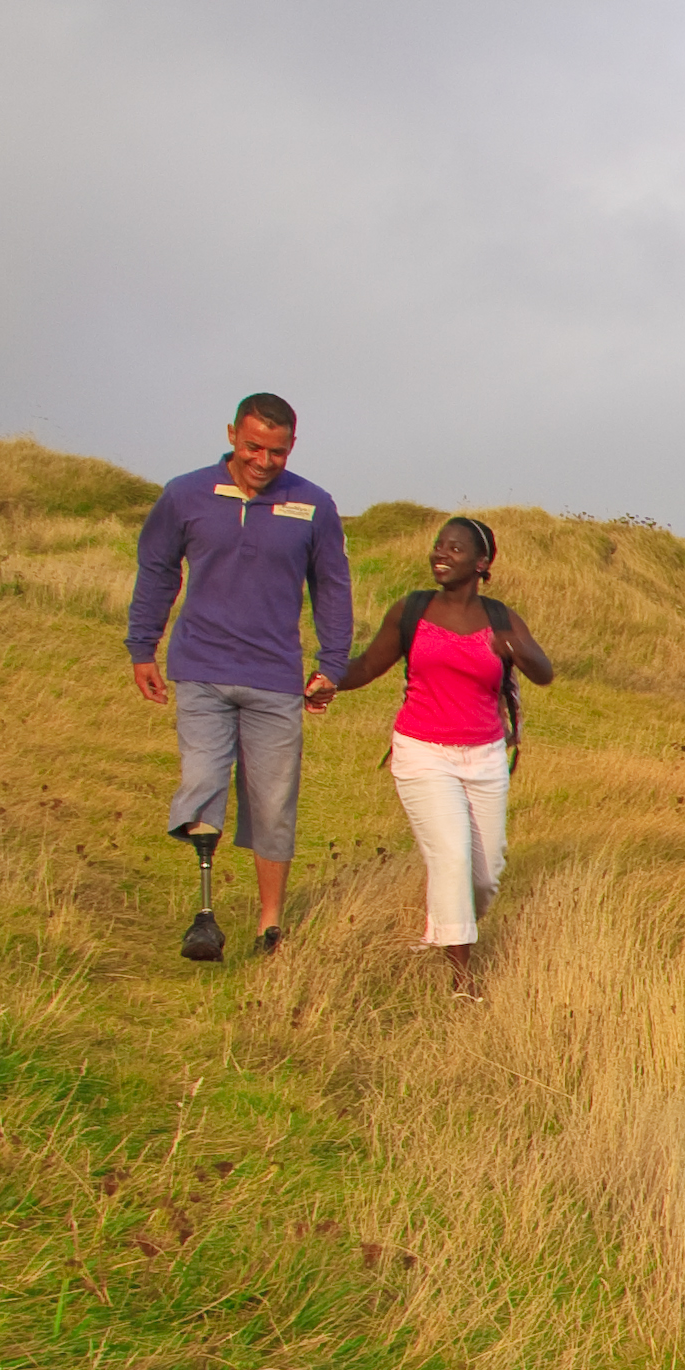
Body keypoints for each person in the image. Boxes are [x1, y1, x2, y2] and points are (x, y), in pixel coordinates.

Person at [128, 393, 352, 955]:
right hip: (201, 667)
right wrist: (142, 647)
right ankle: (205, 917)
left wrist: (332, 665)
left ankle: (269, 926)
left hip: (275, 679)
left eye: (276, 451)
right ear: (231, 434)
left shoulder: (314, 505)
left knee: (273, 802)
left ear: (292, 446)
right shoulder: (186, 494)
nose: (263, 460)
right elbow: (157, 569)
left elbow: (333, 587)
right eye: (253, 446)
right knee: (203, 782)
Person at [326, 514, 554, 999]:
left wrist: (511, 646)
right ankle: (462, 980)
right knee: (451, 855)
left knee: (485, 873)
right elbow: (368, 664)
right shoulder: (410, 610)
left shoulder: (500, 618)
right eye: (438, 546)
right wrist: (329, 679)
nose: (441, 555)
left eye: (454, 549)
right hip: (422, 751)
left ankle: (448, 925)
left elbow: (544, 672)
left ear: (481, 562)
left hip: (485, 757)